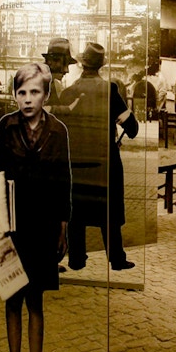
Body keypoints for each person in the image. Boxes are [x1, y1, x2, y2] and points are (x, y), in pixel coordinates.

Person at [0, 62, 71, 352]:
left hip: (44, 226)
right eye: (21, 92)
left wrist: (63, 225)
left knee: (36, 302)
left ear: (46, 95)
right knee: (12, 300)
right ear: (15, 95)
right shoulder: (5, 127)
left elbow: (64, 180)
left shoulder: (59, 131)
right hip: (12, 226)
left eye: (35, 92)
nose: (27, 99)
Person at [60, 43, 139, 271]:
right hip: (106, 161)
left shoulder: (68, 92)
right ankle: (116, 259)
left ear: (82, 64)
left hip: (76, 162)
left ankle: (76, 259)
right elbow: (132, 129)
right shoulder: (110, 90)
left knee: (77, 212)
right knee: (110, 211)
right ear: (101, 65)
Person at [41, 37, 79, 116]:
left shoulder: (50, 83)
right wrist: (69, 108)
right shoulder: (38, 82)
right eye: (64, 64)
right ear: (50, 61)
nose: (66, 70)